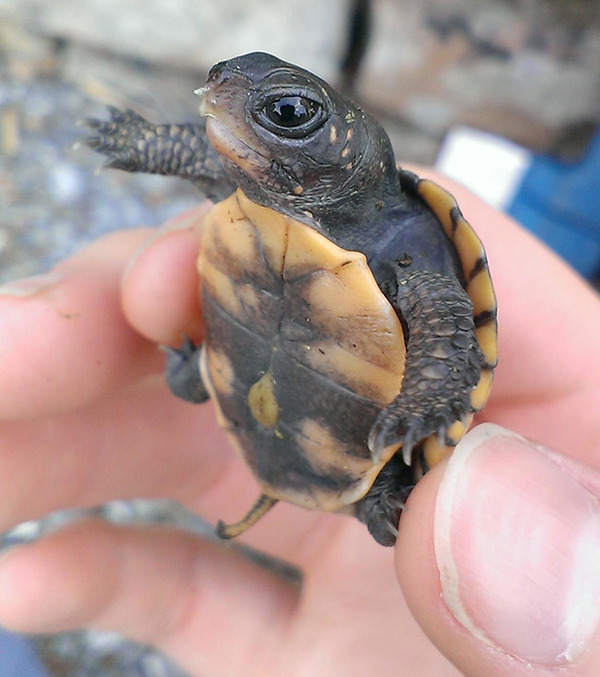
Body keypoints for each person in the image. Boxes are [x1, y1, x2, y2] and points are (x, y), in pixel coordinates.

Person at [0, 172, 599, 677]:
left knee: (405, 488)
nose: (239, 120)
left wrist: (425, 402)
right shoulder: (262, 181)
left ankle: (363, 484)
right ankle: (199, 376)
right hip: (258, 379)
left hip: (353, 452)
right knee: (177, 326)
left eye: (287, 112)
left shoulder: (409, 239)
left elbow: (447, 315)